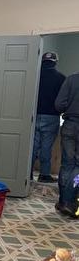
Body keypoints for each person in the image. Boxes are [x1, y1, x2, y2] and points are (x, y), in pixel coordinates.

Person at [32, 52, 65, 182]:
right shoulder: (61, 78)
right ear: (55, 62)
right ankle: (44, 175)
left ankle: (27, 173)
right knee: (46, 146)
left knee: (32, 146)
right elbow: (63, 100)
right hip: (52, 116)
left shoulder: (34, 75)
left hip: (33, 115)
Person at [55, 71, 79, 218]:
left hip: (70, 124)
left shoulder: (71, 79)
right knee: (78, 167)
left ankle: (63, 201)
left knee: (67, 164)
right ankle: (70, 203)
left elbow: (59, 104)